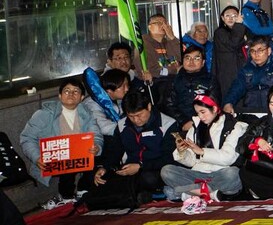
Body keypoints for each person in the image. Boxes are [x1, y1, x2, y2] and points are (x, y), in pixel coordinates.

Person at [20, 78, 102, 209]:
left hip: (79, 158)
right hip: (51, 161)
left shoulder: (87, 113)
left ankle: (83, 190)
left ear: (81, 97)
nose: (71, 94)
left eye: (76, 91)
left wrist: (97, 146)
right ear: (59, 95)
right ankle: (65, 196)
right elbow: (26, 138)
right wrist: (37, 158)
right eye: (66, 91)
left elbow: (96, 134)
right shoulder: (44, 114)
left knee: (101, 150)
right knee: (67, 156)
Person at [160, 94, 247, 202]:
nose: (200, 117)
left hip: (221, 172)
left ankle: (185, 193)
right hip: (199, 174)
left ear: (214, 109)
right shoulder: (196, 126)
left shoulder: (235, 126)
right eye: (197, 113)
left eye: (203, 112)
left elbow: (228, 157)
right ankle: (210, 194)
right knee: (166, 171)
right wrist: (182, 152)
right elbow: (192, 162)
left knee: (232, 174)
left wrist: (202, 152)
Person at [97, 88, 177, 199]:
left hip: (155, 169)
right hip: (129, 169)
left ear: (148, 107)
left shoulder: (168, 124)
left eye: (139, 115)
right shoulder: (121, 125)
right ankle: (136, 194)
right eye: (131, 116)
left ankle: (145, 194)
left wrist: (140, 166)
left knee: (149, 179)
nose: (136, 120)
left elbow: (169, 158)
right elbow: (115, 151)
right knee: (100, 179)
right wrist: (105, 167)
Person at [223, 37, 273, 115]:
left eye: (260, 51)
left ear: (269, 51)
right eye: (253, 51)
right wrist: (228, 102)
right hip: (251, 110)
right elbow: (237, 87)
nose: (256, 55)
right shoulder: (247, 69)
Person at [161, 45, 213, 133]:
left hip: (205, 125)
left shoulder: (211, 80)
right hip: (179, 125)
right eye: (187, 58)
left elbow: (214, 104)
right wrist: (183, 121)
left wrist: (199, 121)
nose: (191, 62)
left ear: (203, 62)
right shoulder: (174, 80)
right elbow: (168, 104)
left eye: (196, 58)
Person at [212, 5, 248, 102]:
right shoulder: (220, 33)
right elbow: (233, 43)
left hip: (242, 72)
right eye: (228, 16)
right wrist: (239, 25)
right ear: (222, 18)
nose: (231, 18)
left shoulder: (243, 31)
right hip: (227, 75)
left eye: (234, 15)